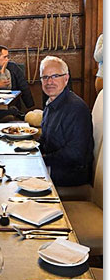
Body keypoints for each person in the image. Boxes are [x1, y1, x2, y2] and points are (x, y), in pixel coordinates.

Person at [39, 56, 93, 187]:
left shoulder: (76, 108)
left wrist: (42, 160)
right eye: (45, 77)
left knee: (18, 177)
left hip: (70, 174)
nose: (49, 82)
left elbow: (76, 154)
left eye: (55, 76)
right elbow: (45, 140)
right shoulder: (51, 103)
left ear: (66, 78)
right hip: (56, 165)